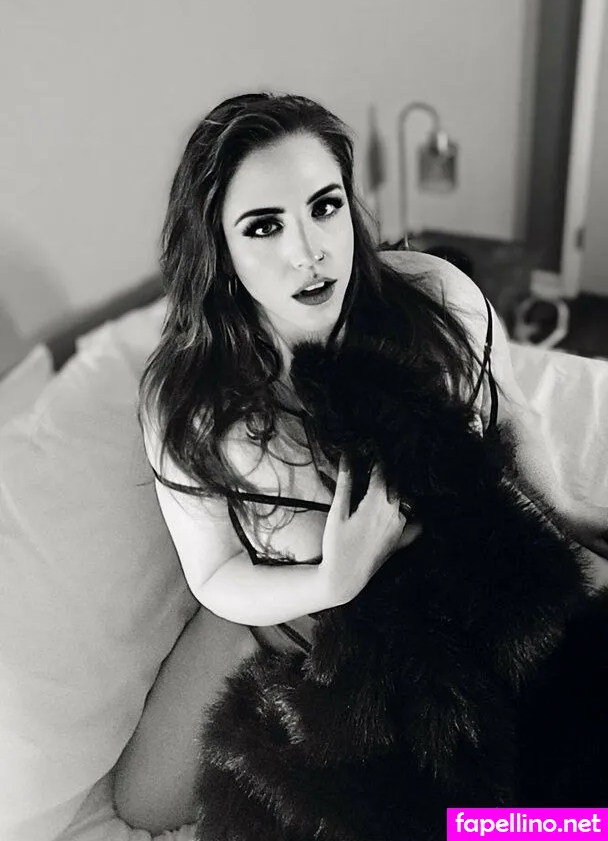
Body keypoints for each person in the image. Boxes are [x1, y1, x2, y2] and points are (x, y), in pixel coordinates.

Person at [113, 91, 608, 833]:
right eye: (264, 226)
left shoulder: (438, 296)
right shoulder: (189, 398)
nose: (309, 251)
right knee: (145, 804)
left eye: (325, 207)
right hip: (300, 614)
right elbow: (213, 573)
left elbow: (509, 413)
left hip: (456, 597)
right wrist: (330, 581)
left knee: (561, 798)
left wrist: (562, 507)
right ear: (218, 247)